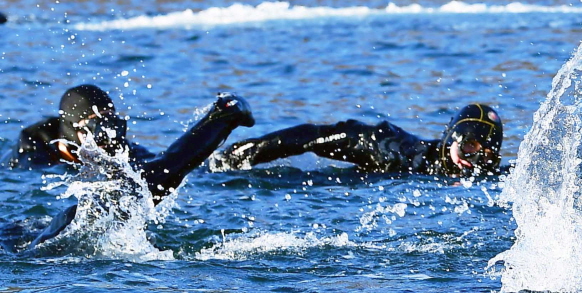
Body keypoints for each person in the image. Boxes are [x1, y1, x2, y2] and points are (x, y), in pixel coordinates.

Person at [5, 84, 254, 251]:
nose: (108, 140)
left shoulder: (121, 151)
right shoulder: (32, 160)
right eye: (97, 131)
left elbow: (158, 172)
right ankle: (222, 119)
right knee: (80, 214)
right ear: (75, 132)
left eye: (114, 126)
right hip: (19, 241)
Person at [212, 104, 503, 177]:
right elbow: (310, 137)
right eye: (470, 147)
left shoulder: (486, 179)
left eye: (486, 155)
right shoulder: (391, 149)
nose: (475, 160)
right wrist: (232, 160)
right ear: (452, 139)